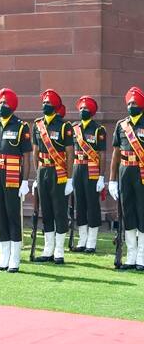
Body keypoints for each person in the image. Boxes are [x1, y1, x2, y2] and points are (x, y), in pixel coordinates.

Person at [0, 88, 32, 273]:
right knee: (1, 215)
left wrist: (25, 181)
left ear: (11, 106)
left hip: (12, 174)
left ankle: (15, 258)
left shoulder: (20, 127)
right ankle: (3, 258)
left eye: (4, 103)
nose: (0, 106)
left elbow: (26, 156)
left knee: (13, 215)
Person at [32, 89, 74, 264]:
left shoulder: (65, 126)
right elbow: (35, 152)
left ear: (56, 107)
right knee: (46, 211)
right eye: (44, 103)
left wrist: (70, 179)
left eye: (48, 103)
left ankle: (59, 250)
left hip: (59, 173)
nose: (45, 105)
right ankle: (48, 249)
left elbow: (70, 154)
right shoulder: (37, 125)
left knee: (59, 211)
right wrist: (36, 175)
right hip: (43, 171)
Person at [109, 86, 144, 271]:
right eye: (129, 103)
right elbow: (115, 154)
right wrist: (112, 180)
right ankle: (131, 256)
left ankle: (142, 257)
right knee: (128, 214)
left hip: (141, 174)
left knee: (142, 213)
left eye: (134, 103)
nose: (131, 105)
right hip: (124, 173)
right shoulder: (121, 125)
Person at [71, 96, 106, 253]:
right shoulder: (75, 128)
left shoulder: (99, 130)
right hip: (78, 168)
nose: (82, 111)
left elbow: (103, 154)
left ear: (91, 111)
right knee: (80, 204)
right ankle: (82, 239)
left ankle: (91, 241)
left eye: (85, 108)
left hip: (92, 170)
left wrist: (101, 176)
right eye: (81, 108)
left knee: (92, 205)